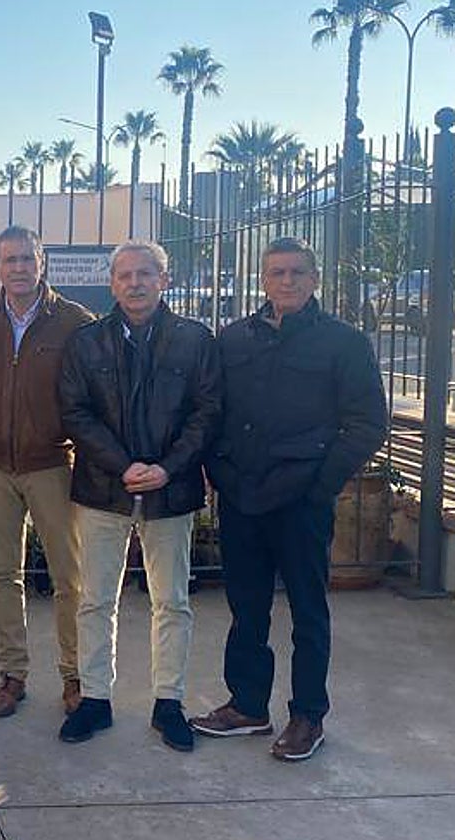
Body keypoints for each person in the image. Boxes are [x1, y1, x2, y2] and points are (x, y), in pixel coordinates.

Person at [191, 237, 387, 761]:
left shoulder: (344, 343)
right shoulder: (233, 340)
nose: (287, 281)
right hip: (242, 498)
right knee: (247, 609)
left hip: (303, 501)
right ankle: (248, 706)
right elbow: (212, 411)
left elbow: (369, 422)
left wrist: (321, 484)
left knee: (308, 611)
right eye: (277, 272)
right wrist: (218, 469)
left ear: (315, 278)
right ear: (262, 279)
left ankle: (307, 716)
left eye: (298, 272)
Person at [58, 240, 221, 752]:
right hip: (103, 491)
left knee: (171, 601)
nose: (135, 283)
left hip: (170, 493)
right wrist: (124, 465)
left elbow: (207, 412)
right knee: (95, 599)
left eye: (145, 274)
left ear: (164, 280)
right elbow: (75, 412)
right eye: (125, 275)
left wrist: (166, 468)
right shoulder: (86, 342)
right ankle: (95, 701)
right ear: (112, 284)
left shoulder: (195, 340)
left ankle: (168, 702)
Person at [0, 225, 93, 718]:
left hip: (52, 463)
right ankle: (12, 675)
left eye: (26, 259)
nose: (18, 269)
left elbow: (91, 389)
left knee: (68, 577)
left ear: (42, 262)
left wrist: (63, 428)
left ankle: (75, 675)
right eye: (8, 260)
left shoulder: (75, 321)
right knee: (3, 574)